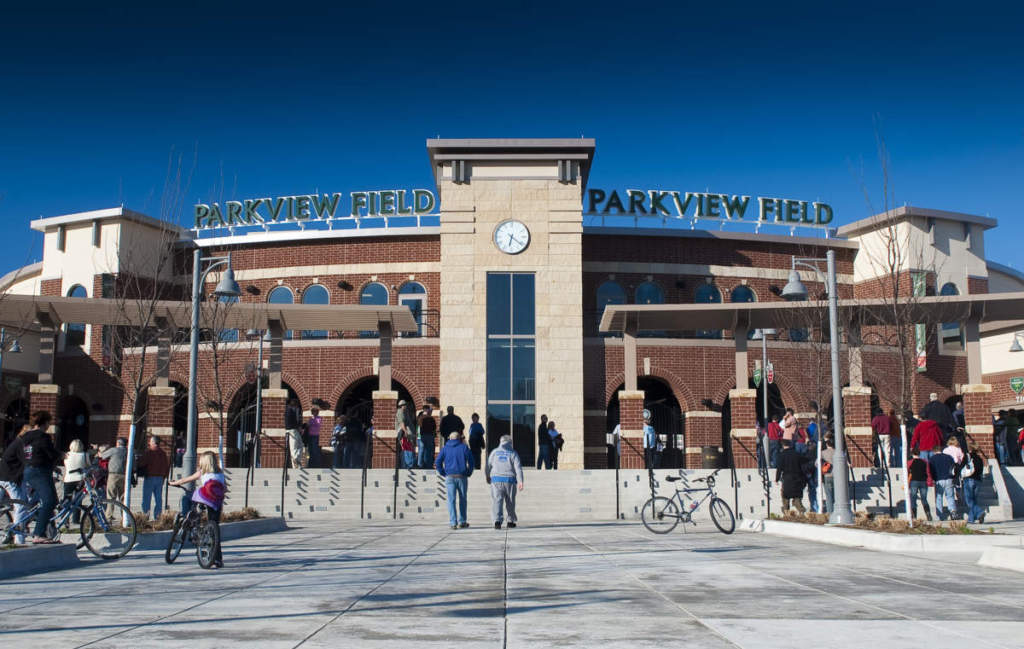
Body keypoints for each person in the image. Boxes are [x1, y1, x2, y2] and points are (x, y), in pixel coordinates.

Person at [170, 450, 226, 569]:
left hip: (205, 497)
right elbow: (225, 488)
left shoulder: (202, 472)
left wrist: (175, 483)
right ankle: (218, 559)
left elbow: (186, 480)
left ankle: (187, 518)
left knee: (187, 498)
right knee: (214, 528)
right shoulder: (221, 473)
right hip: (217, 501)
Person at [12, 411, 60, 544]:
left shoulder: (26, 436)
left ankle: (45, 531)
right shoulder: (43, 437)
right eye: (48, 422)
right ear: (44, 423)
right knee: (49, 501)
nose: (48, 425)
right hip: (39, 471)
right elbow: (50, 453)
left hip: (30, 470)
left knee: (48, 501)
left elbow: (26, 453)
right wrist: (61, 455)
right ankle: (38, 534)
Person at [435, 432, 474, 529]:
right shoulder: (464, 447)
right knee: (463, 499)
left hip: (450, 476)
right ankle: (462, 521)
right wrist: (468, 472)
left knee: (451, 500)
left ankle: (453, 522)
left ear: (450, 438)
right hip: (461, 476)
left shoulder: (445, 448)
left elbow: (438, 462)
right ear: (459, 438)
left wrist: (443, 472)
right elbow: (471, 461)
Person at [486, 434, 524, 529]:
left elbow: (488, 465)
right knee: (510, 502)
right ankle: (510, 521)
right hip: (509, 480)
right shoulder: (513, 453)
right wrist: (520, 481)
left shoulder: (494, 452)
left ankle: (497, 521)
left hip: (496, 480)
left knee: (497, 501)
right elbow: (518, 468)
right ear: (510, 443)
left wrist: (487, 475)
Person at [0, 425, 30, 544]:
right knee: (21, 506)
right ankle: (19, 539)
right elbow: (29, 461)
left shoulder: (18, 442)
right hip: (9, 479)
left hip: (5, 477)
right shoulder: (24, 445)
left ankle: (13, 533)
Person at [138, 435, 170, 518]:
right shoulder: (163, 453)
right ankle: (157, 516)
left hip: (150, 477)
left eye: (150, 441)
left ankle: (146, 516)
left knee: (146, 499)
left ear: (153, 442)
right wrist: (164, 477)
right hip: (160, 478)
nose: (149, 443)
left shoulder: (149, 452)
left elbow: (142, 463)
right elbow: (166, 466)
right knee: (158, 499)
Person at [775, 439, 809, 514]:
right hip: (798, 478)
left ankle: (786, 511)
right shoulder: (797, 454)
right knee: (797, 497)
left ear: (783, 446)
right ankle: (802, 512)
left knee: (785, 497)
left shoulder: (782, 455)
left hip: (787, 478)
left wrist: (776, 479)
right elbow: (804, 463)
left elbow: (779, 468)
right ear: (790, 445)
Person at [63, 439, 89, 523]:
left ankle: (65, 518)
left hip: (68, 479)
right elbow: (88, 465)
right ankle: (76, 519)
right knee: (78, 500)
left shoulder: (66, 455)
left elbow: (66, 465)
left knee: (67, 499)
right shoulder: (85, 455)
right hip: (80, 479)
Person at [101, 438, 128, 518]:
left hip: (113, 475)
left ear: (118, 443)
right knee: (123, 498)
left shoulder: (114, 450)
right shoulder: (129, 451)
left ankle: (109, 516)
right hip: (125, 476)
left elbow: (102, 456)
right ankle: (124, 517)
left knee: (111, 497)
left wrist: (99, 450)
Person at [927, 446, 956, 521]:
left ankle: (940, 515)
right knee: (950, 496)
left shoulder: (932, 459)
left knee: (939, 497)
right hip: (949, 478)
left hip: (939, 480)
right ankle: (952, 511)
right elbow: (954, 467)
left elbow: (931, 470)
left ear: (934, 451)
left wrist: (933, 479)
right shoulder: (949, 457)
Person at [962, 446, 986, 524]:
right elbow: (981, 471)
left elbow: (961, 467)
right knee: (974, 501)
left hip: (969, 479)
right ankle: (971, 519)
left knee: (969, 500)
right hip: (978, 480)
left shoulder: (967, 457)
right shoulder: (979, 459)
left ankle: (980, 512)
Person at [907, 448, 933, 520]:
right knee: (924, 499)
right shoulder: (925, 462)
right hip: (923, 481)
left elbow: (907, 472)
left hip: (914, 481)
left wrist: (907, 482)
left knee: (913, 498)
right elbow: (928, 472)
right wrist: (929, 480)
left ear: (912, 454)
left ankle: (914, 515)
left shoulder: (910, 462)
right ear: (919, 454)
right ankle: (928, 514)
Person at [284, 398, 304, 469]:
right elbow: (289, 422)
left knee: (300, 445)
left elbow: (297, 420)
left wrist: (300, 426)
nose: (296, 404)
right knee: (294, 447)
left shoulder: (294, 410)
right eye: (295, 403)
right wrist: (298, 426)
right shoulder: (289, 410)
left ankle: (296, 460)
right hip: (292, 430)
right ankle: (296, 461)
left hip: (295, 430)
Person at [417, 403, 437, 469]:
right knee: (427, 450)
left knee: (422, 450)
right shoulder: (430, 418)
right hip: (428, 436)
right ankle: (427, 465)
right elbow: (434, 427)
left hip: (422, 436)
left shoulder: (420, 417)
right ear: (427, 410)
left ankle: (420, 464)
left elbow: (419, 424)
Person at [821, 437, 835, 514]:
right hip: (837, 477)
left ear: (827, 444)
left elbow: (816, 463)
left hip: (827, 475)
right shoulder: (838, 452)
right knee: (836, 496)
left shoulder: (823, 453)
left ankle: (830, 512)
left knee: (829, 496)